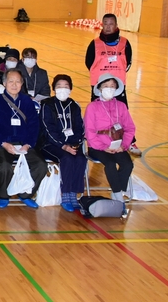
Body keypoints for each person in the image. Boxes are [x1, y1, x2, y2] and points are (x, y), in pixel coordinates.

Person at [0, 69, 48, 208]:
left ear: (22, 84)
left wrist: (28, 144)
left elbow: (34, 125)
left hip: (23, 144)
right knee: (5, 166)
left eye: (18, 82)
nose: (14, 85)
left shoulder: (27, 101)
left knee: (41, 166)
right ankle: (4, 195)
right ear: (4, 83)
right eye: (11, 81)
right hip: (3, 143)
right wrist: (4, 143)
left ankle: (25, 194)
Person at [85, 13, 139, 155]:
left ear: (116, 26)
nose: (108, 27)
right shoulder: (94, 43)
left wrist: (115, 79)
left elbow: (128, 63)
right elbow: (88, 62)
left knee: (123, 114)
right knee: (97, 115)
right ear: (102, 25)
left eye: (111, 24)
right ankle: (97, 144)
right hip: (100, 86)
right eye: (105, 24)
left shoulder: (125, 43)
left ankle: (129, 142)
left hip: (118, 86)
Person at [40, 74, 87, 212]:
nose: (62, 89)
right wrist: (63, 145)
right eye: (59, 86)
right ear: (54, 89)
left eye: (66, 86)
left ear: (70, 89)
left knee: (81, 158)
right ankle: (66, 194)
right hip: (50, 144)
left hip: (71, 144)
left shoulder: (74, 106)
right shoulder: (47, 105)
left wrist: (75, 144)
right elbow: (48, 129)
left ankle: (74, 194)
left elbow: (79, 128)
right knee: (67, 158)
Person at [84, 75, 136, 201]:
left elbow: (130, 128)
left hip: (117, 145)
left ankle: (117, 191)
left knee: (128, 164)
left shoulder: (121, 106)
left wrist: (123, 145)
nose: (109, 89)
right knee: (110, 164)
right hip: (97, 147)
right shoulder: (92, 107)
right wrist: (103, 147)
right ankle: (118, 195)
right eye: (106, 86)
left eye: (112, 86)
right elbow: (89, 131)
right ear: (100, 88)